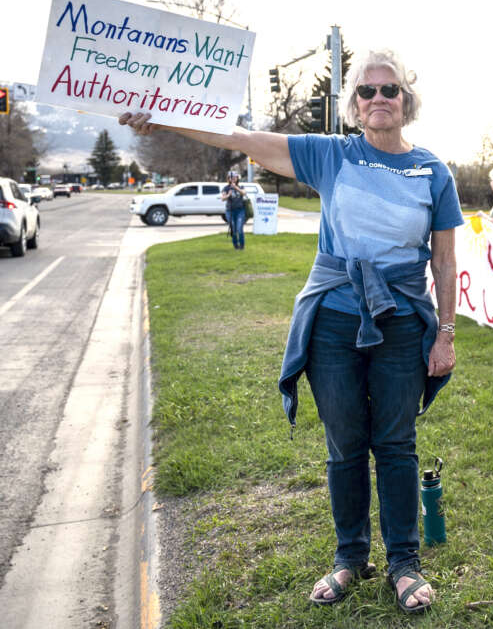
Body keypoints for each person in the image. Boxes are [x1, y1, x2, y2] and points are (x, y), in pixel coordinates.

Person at [120, 49, 461, 614]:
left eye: (390, 90)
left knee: (395, 444)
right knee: (345, 443)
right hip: (333, 318)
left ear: (407, 100)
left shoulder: (433, 171)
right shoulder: (331, 155)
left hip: (403, 321)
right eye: (368, 92)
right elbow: (240, 137)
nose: (379, 99)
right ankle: (350, 558)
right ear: (354, 105)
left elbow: (446, 263)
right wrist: (159, 116)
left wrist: (444, 334)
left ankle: (404, 562)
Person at [221, 170, 248, 250]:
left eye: (235, 177)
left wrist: (236, 188)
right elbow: (223, 198)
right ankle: (236, 246)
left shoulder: (241, 186)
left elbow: (244, 193)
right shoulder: (226, 188)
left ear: (237, 178)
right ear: (228, 179)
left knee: (239, 228)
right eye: (231, 178)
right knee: (234, 228)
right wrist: (228, 195)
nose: (233, 179)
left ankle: (242, 246)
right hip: (230, 211)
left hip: (240, 210)